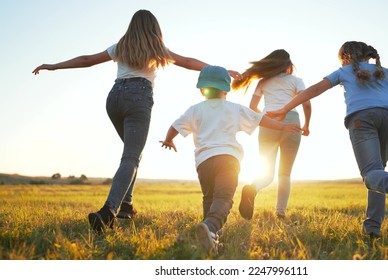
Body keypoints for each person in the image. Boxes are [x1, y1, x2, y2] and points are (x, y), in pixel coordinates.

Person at [32, 10, 241, 234]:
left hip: (114, 99)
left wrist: (53, 66)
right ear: (155, 29)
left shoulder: (120, 47)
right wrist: (219, 72)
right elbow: (188, 62)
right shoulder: (156, 49)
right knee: (131, 156)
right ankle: (108, 211)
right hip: (138, 98)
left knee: (132, 155)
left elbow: (87, 60)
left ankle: (126, 206)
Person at [267, 41, 388, 238]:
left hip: (362, 118)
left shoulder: (342, 72)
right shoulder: (383, 71)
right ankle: (372, 229)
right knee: (378, 173)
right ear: (368, 56)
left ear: (345, 57)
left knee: (371, 175)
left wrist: (285, 108)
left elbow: (315, 90)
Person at [160, 65, 300, 254]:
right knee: (224, 198)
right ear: (226, 89)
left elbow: (175, 125)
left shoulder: (195, 109)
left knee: (209, 198)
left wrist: (169, 139)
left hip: (203, 163)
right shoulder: (233, 108)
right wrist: (282, 127)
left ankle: (211, 238)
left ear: (202, 89)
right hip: (228, 159)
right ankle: (209, 227)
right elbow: (260, 119)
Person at [231, 49, 311, 220]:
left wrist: (267, 117)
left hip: (268, 122)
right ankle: (280, 213)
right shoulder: (296, 81)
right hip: (291, 121)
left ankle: (253, 188)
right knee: (285, 173)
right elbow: (307, 104)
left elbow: (252, 106)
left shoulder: (263, 82)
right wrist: (306, 125)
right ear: (289, 66)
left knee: (267, 171)